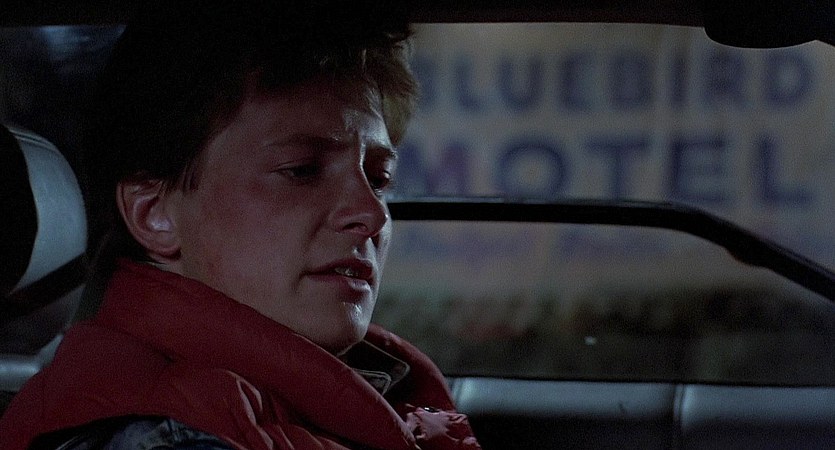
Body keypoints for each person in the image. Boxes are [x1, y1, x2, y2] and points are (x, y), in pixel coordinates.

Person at [0, 1, 482, 448]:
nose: (372, 214)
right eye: (302, 171)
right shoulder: (171, 436)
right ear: (154, 214)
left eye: (379, 179)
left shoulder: (369, 388)